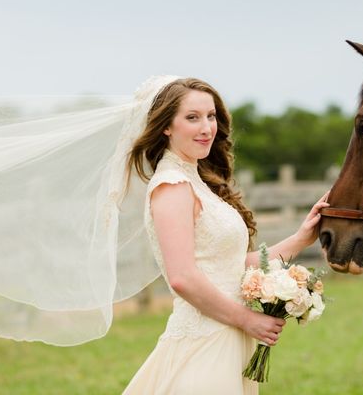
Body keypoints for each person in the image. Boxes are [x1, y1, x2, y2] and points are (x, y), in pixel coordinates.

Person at [121, 77, 329, 394]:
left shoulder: (196, 181)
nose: (206, 127)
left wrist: (302, 237)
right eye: (192, 117)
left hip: (228, 338)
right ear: (166, 126)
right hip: (205, 343)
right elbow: (182, 277)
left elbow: (231, 266)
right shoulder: (173, 187)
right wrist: (247, 320)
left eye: (211, 116)